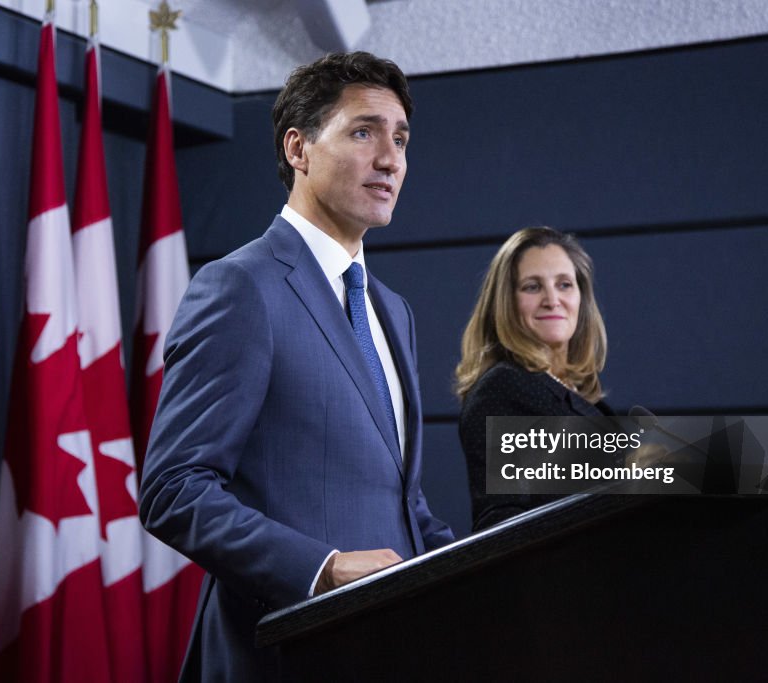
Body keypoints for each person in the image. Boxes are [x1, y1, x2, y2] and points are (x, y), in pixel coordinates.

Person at [137, 52, 454, 682]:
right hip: (283, 652)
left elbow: (401, 501)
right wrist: (324, 566)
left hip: (387, 649)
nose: (390, 159)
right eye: (363, 132)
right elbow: (173, 488)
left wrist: (470, 566)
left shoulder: (392, 310)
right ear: (299, 149)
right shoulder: (240, 287)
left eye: (400, 139)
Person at [455, 227, 612, 531]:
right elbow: (503, 523)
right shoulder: (503, 389)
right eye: (532, 287)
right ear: (506, 302)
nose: (552, 300)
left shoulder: (576, 393)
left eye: (564, 284)